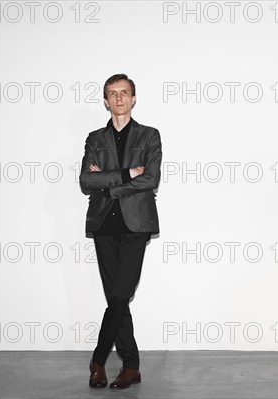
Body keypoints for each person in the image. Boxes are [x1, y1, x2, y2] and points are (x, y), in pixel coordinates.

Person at [79, 73, 162, 390]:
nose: (118, 99)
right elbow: (87, 181)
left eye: (124, 93)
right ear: (105, 101)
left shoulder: (149, 136)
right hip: (103, 225)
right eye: (112, 94)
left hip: (136, 225)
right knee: (118, 298)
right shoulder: (94, 139)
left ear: (134, 98)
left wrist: (110, 185)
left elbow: (151, 179)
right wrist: (128, 173)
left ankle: (98, 360)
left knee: (118, 294)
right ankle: (131, 366)